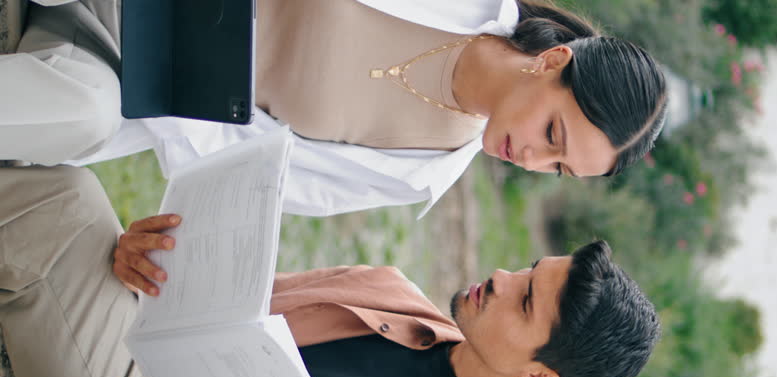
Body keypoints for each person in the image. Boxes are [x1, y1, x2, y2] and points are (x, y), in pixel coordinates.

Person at [0, 165, 660, 377]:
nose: (503, 280)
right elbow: (206, 310)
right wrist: (148, 264)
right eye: (527, 271)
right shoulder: (385, 290)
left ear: (540, 376)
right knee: (69, 200)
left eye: (524, 302)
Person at [0, 0, 668, 216]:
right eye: (554, 132)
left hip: (130, 88)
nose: (530, 157)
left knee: (78, 112)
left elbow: (251, 181)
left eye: (556, 167)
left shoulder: (422, 170)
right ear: (554, 63)